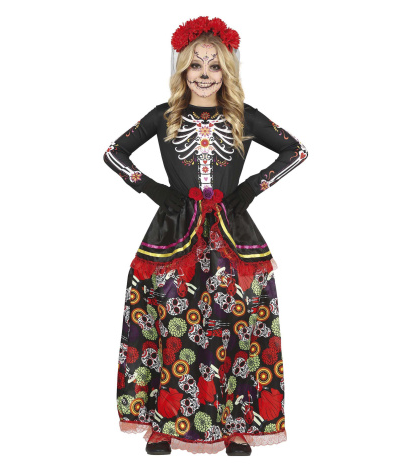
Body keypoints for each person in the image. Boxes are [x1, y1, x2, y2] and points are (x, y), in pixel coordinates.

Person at [104, 16, 308, 456]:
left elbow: (297, 150)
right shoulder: (164, 116)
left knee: (236, 325)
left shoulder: (243, 117)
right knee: (165, 321)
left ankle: (236, 424)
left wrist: (252, 187)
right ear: (182, 68)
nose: (204, 74)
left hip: (232, 235)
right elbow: (113, 153)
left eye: (214, 66)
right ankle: (162, 424)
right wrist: (152, 189)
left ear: (227, 70)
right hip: (172, 233)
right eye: (195, 64)